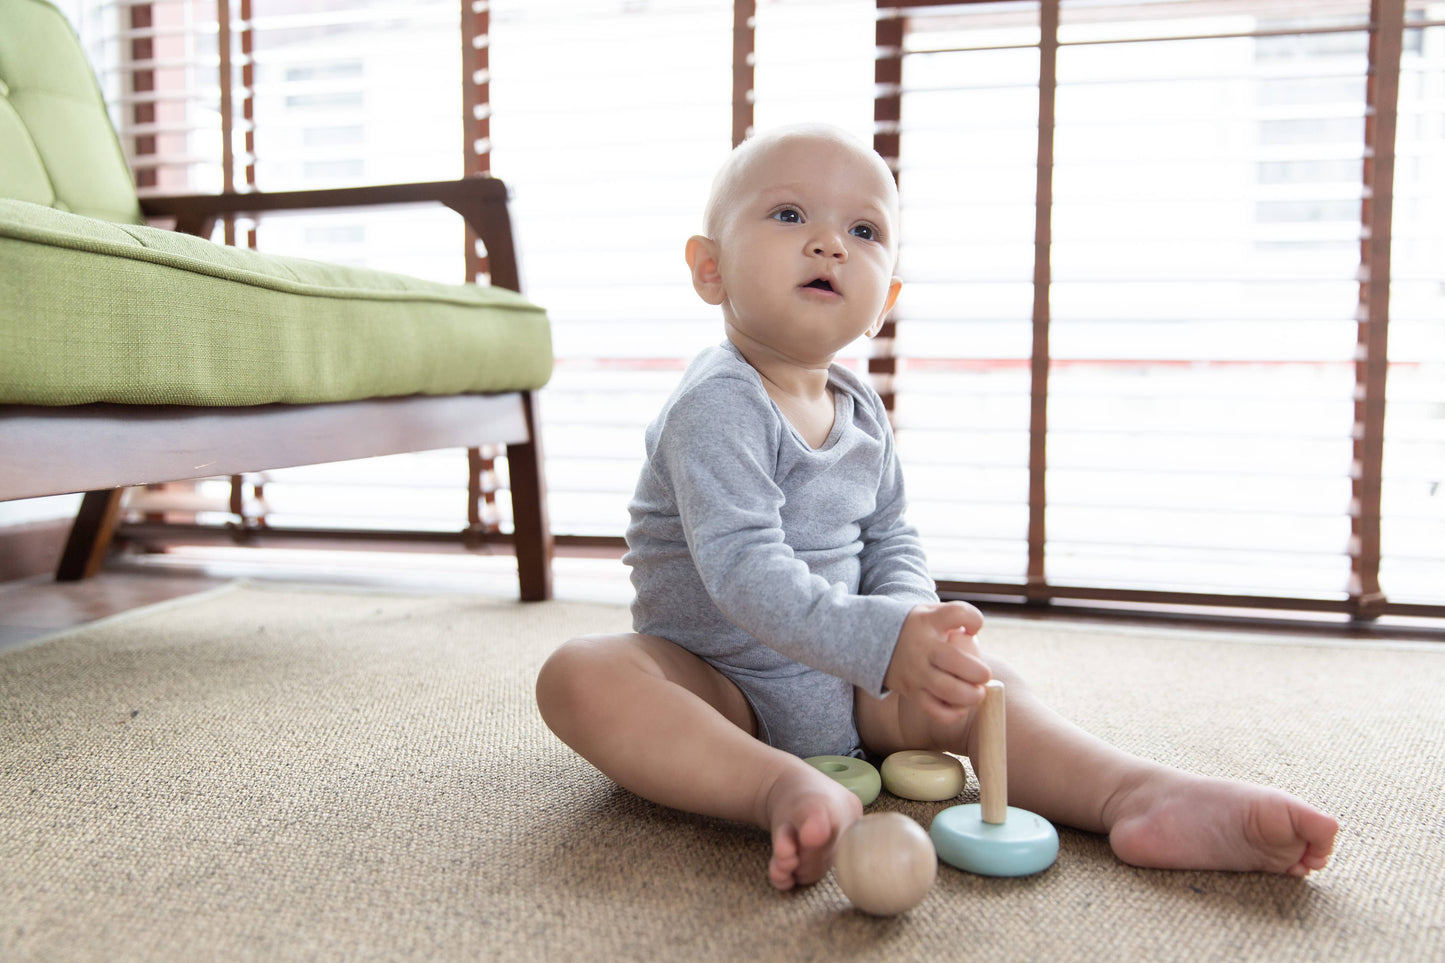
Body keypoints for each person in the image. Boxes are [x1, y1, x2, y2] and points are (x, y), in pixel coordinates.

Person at [535, 123, 1339, 891]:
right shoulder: (716, 404)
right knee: (582, 675)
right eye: (788, 215)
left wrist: (914, 627)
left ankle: (1134, 792)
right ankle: (773, 788)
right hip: (717, 685)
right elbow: (742, 570)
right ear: (709, 269)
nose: (828, 243)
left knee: (982, 686)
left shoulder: (859, 408)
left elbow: (890, 535)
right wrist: (883, 642)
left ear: (882, 296)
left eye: (862, 229)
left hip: (852, 680)